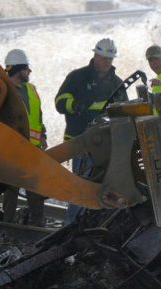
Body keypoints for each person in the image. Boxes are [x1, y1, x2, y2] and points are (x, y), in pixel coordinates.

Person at [55, 38, 128, 225]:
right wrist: (75, 105)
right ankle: (71, 227)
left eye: (110, 59)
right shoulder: (77, 77)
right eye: (104, 58)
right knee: (80, 188)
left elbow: (125, 113)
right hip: (79, 143)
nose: (107, 62)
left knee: (102, 189)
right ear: (95, 55)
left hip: (105, 147)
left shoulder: (117, 85)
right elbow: (60, 102)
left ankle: (94, 227)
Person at [2, 48, 48, 227]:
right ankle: (8, 223)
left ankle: (38, 223)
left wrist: (43, 135)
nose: (29, 71)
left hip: (33, 147)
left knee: (35, 186)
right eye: (26, 68)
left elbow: (38, 115)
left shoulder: (32, 90)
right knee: (11, 187)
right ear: (18, 69)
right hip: (12, 147)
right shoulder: (4, 91)